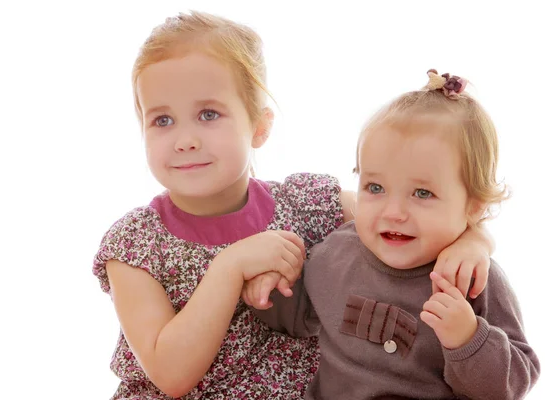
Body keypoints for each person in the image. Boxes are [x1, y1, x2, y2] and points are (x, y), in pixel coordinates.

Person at [93, 9, 495, 399]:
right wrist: (229, 267)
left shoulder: (305, 203)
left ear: (259, 126)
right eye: (162, 120)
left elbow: (403, 216)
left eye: (208, 114)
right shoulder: (136, 244)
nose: (184, 140)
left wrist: (474, 241)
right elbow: (170, 375)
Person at [244, 70, 540, 399]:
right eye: (375, 188)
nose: (393, 212)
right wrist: (269, 291)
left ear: (473, 206)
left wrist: (469, 339)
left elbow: (514, 383)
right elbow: (300, 316)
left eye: (422, 193)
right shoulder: (338, 251)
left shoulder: (473, 278)